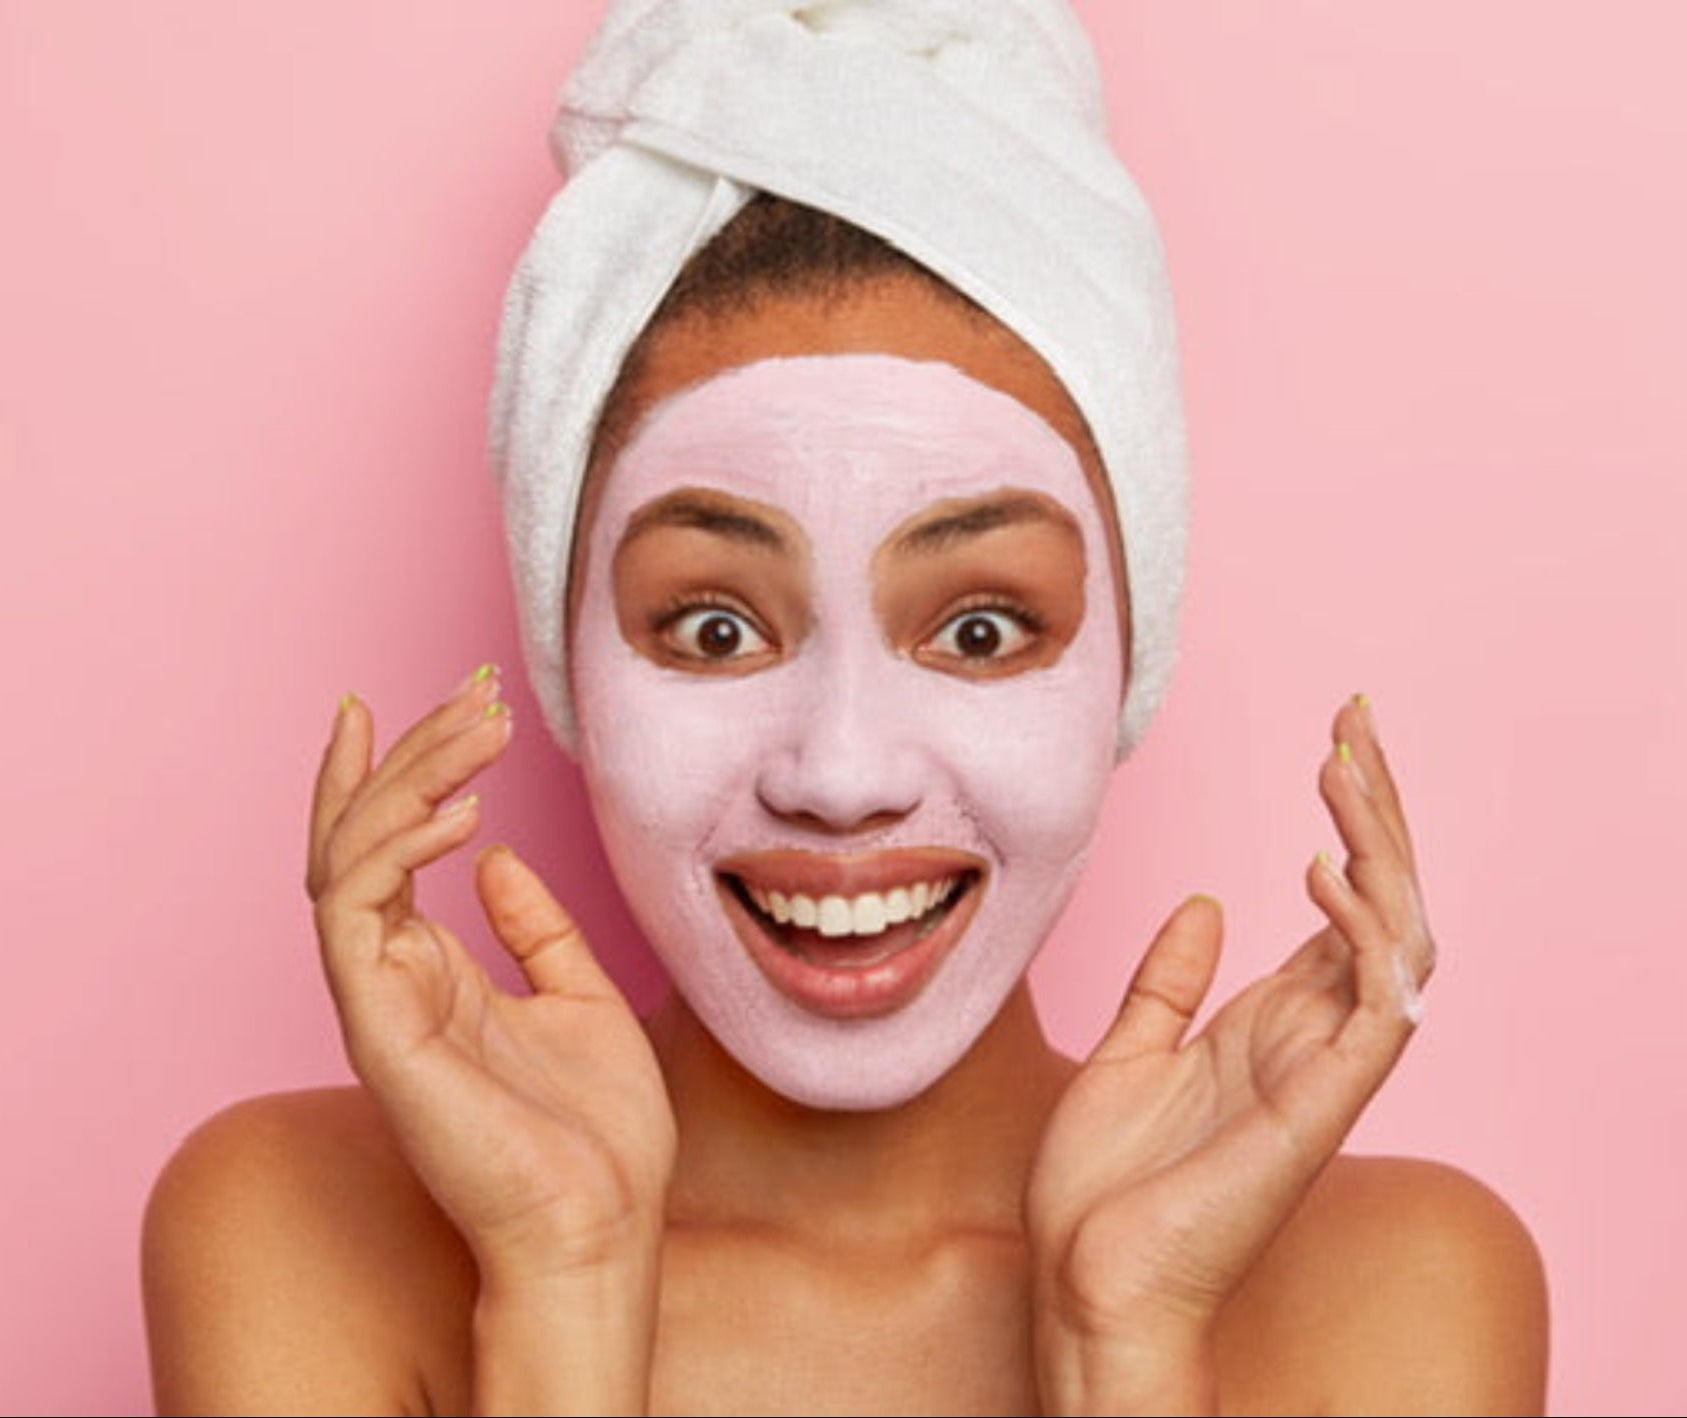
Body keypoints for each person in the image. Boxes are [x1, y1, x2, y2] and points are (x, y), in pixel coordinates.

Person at [141, 3, 1549, 1414]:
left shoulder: (1404, 1286)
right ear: (566, 655)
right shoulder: (295, 1233)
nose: (841, 770)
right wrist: (567, 1282)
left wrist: (1122, 1338)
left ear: (1130, 655)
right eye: (714, 625)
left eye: (982, 627)